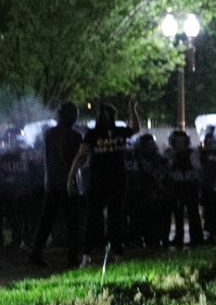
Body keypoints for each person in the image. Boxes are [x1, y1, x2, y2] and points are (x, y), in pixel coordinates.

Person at [67, 101, 140, 266]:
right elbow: (136, 128)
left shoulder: (92, 134)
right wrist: (132, 110)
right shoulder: (119, 132)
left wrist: (71, 176)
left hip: (98, 180)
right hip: (117, 180)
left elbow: (81, 156)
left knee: (93, 218)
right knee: (115, 218)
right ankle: (117, 254)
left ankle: (86, 257)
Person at [28, 103, 83, 267]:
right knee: (73, 222)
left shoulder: (48, 134)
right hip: (68, 182)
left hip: (51, 182)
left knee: (46, 221)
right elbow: (75, 160)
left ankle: (35, 254)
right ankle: (73, 257)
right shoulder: (75, 136)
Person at [166, 130, 204, 247]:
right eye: (177, 141)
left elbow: (198, 168)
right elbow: (167, 169)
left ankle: (197, 238)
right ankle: (179, 238)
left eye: (182, 141)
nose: (180, 144)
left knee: (193, 213)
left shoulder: (193, 153)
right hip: (177, 186)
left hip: (190, 186)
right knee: (178, 213)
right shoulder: (170, 153)